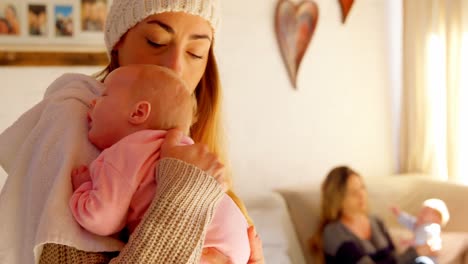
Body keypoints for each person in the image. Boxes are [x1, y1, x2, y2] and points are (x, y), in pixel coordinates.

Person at [0, 0, 265, 263]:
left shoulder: (188, 145)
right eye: (156, 41)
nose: (175, 67)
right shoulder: (76, 120)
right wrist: (184, 192)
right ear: (118, 45)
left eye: (196, 52)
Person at [69, 64, 250, 264]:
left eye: (104, 96)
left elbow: (100, 219)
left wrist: (84, 189)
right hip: (234, 241)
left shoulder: (125, 152)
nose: (92, 102)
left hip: (203, 244)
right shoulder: (182, 147)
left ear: (138, 112)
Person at [309, 166, 437, 264]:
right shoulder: (334, 232)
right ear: (338, 199)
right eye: (353, 192)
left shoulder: (376, 221)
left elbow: (395, 258)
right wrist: (415, 252)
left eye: (362, 188)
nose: (362, 195)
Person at [391, 198, 450, 264]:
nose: (421, 214)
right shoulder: (419, 225)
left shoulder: (433, 226)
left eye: (425, 212)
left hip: (427, 259)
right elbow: (409, 221)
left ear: (437, 219)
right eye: (421, 211)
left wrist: (410, 242)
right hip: (415, 256)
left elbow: (424, 237)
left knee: (421, 261)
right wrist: (399, 214)